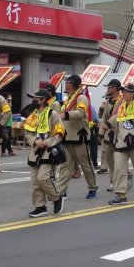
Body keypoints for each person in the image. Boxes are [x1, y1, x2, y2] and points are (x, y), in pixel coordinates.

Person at [56, 74, 98, 199]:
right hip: (67, 137)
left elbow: (80, 113)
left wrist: (65, 115)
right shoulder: (67, 98)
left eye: (68, 81)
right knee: (65, 166)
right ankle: (61, 191)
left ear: (73, 84)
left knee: (86, 165)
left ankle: (92, 187)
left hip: (80, 138)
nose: (66, 84)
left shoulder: (82, 98)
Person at [26, 90, 66, 218]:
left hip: (48, 150)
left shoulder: (52, 114)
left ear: (43, 100)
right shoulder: (33, 115)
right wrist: (35, 141)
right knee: (35, 180)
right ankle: (40, 206)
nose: (33, 101)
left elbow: (60, 131)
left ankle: (57, 197)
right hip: (35, 150)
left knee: (42, 178)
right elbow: (28, 132)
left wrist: (47, 142)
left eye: (35, 98)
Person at [98, 79, 122, 190]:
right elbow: (103, 118)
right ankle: (112, 181)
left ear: (116, 88)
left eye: (110, 87)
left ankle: (121, 180)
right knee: (110, 160)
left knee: (119, 160)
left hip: (119, 134)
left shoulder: (122, 101)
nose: (108, 89)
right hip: (108, 134)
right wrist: (101, 134)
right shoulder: (108, 102)